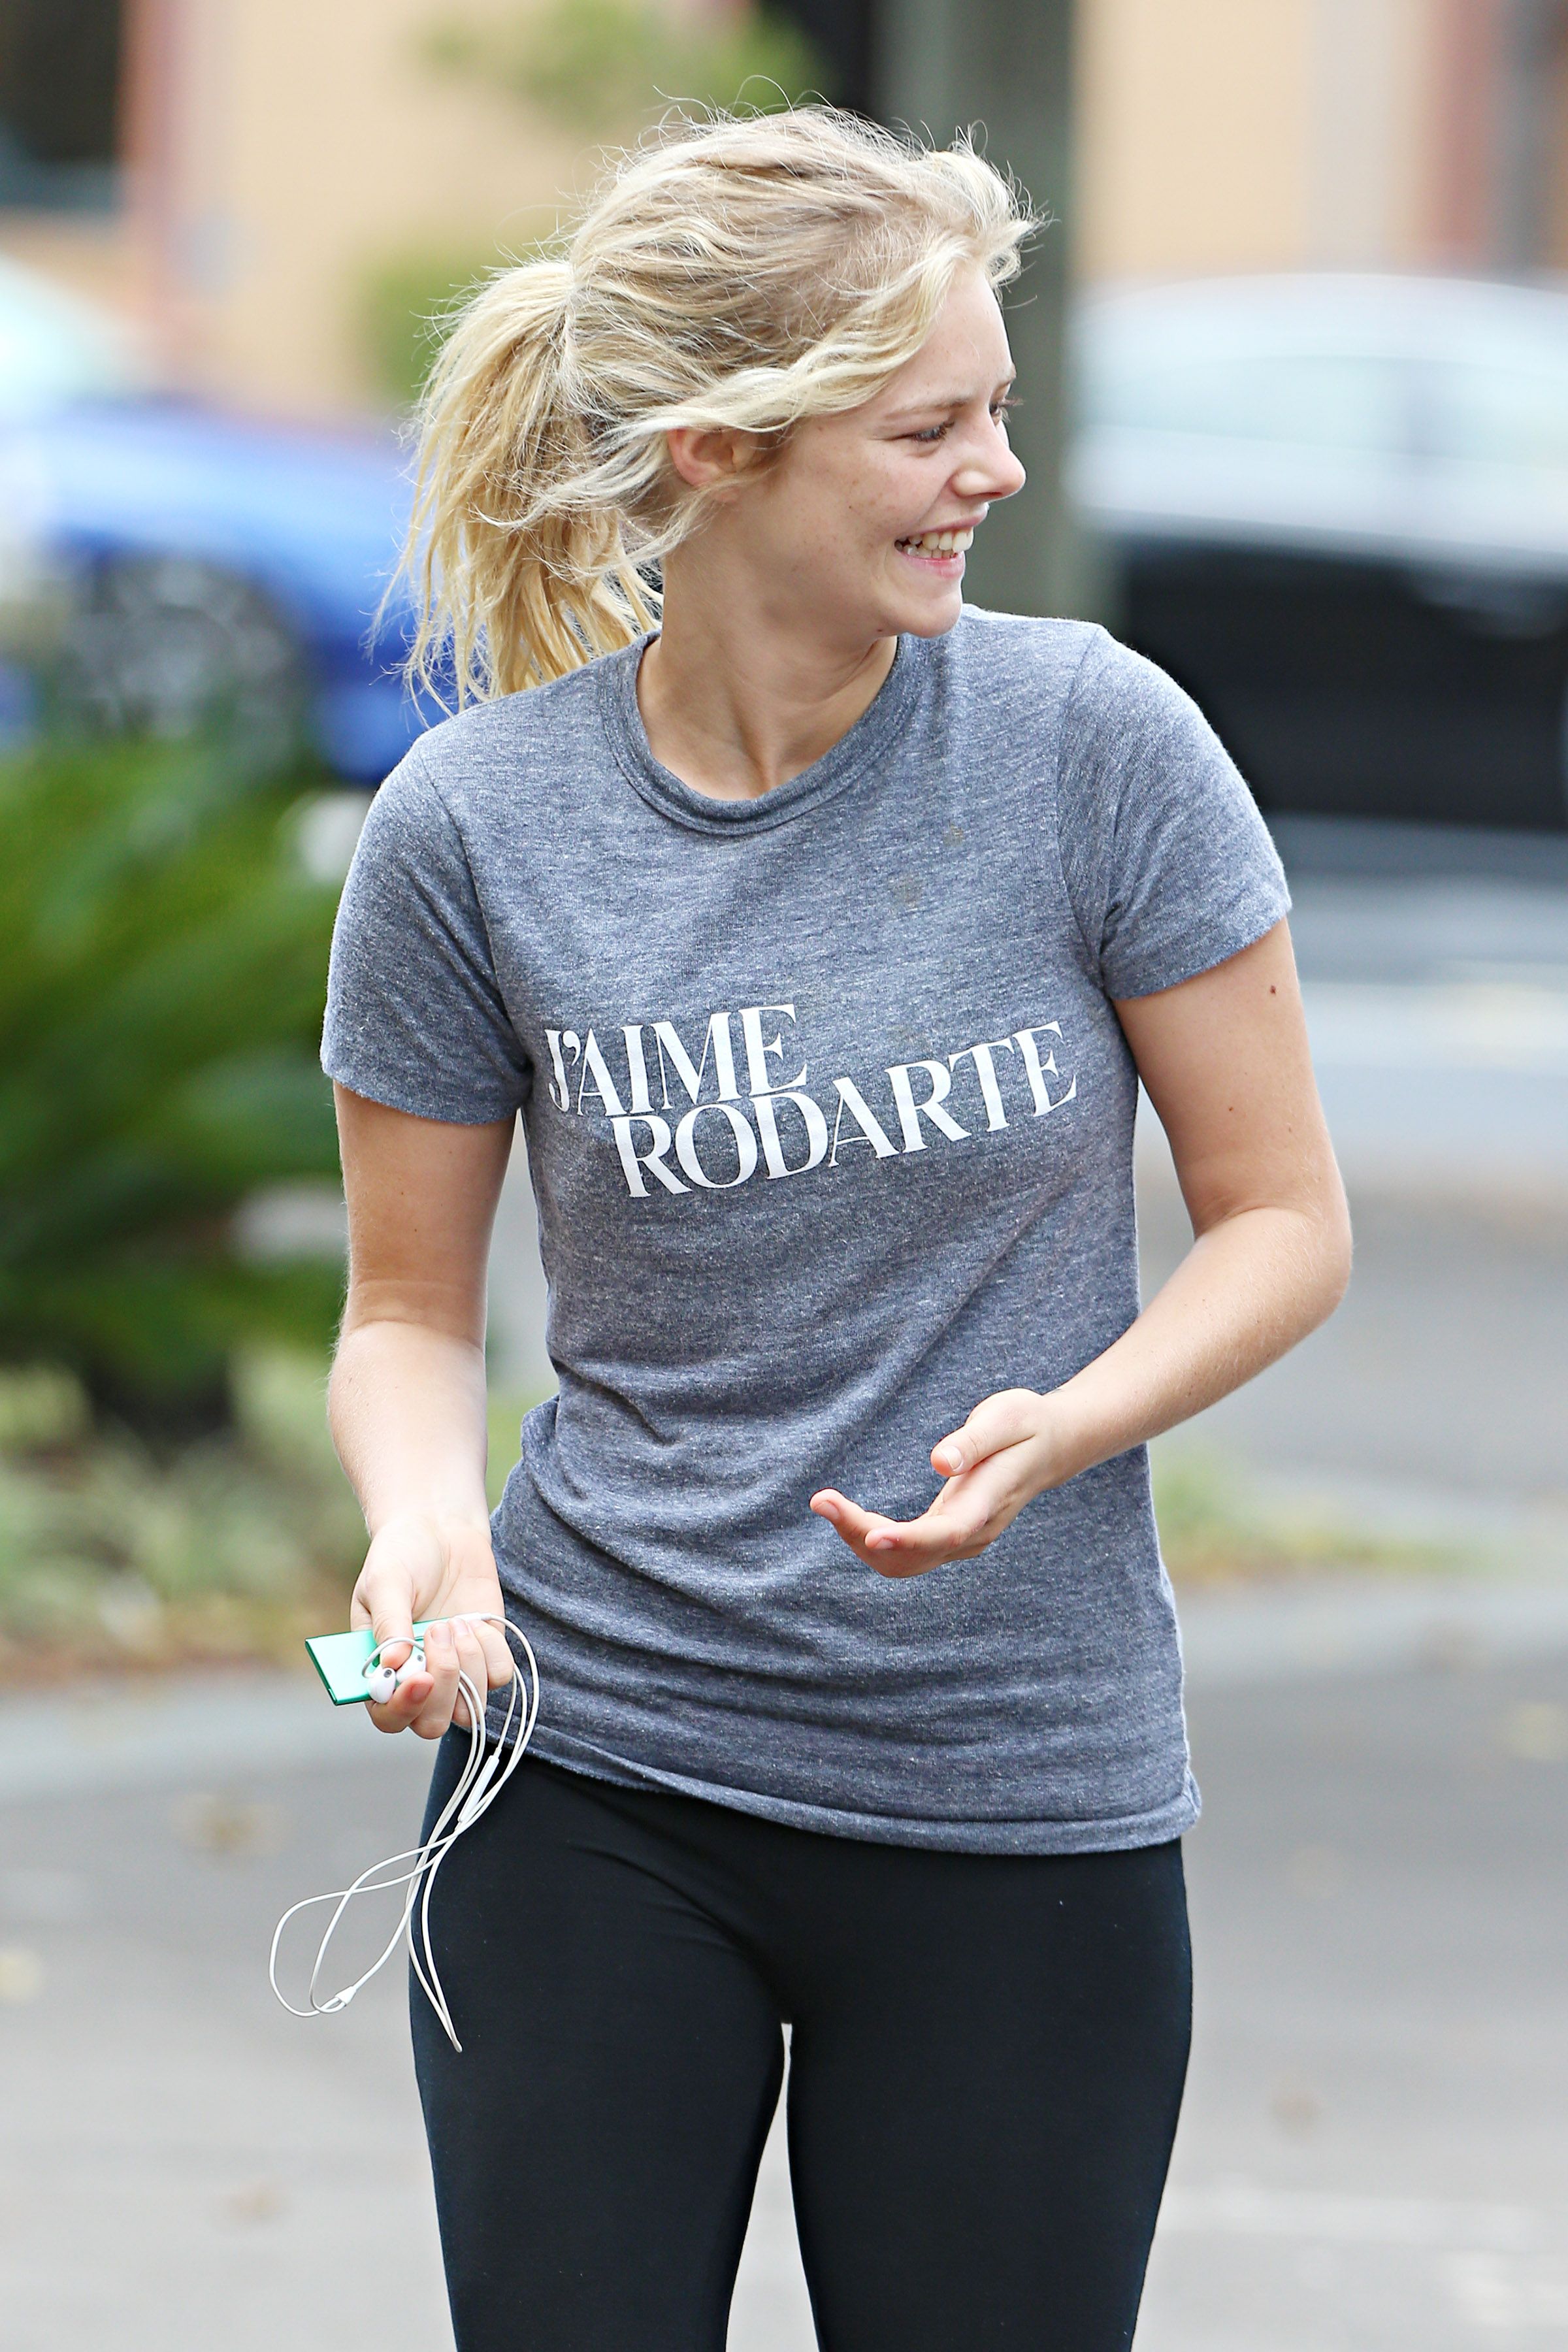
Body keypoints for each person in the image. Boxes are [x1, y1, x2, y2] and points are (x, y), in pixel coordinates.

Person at [322, 108, 1350, 2352]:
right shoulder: (473, 830)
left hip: (1018, 1799)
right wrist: (426, 1525)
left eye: (998, 408)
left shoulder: (1094, 746)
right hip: (591, 1776)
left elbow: (1283, 1219)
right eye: (931, 427)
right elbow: (403, 1311)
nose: (995, 468)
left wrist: (1072, 1420)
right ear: (722, 451)